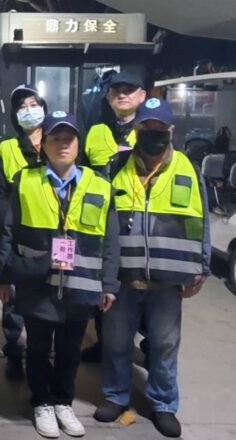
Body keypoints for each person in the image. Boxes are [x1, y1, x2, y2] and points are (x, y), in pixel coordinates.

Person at [0, 111, 119, 438]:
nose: (62, 144)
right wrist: (3, 276)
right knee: (37, 347)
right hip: (37, 281)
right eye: (55, 139)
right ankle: (41, 401)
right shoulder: (25, 181)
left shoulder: (100, 185)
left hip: (81, 284)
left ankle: (63, 401)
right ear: (43, 145)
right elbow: (8, 231)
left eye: (69, 139)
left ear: (78, 144)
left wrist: (109, 283)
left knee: (69, 349)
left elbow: (111, 241)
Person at [95, 98, 209, 439]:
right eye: (147, 127)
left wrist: (202, 266)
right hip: (124, 277)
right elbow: (101, 221)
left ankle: (163, 404)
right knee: (116, 341)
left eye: (160, 128)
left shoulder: (188, 168)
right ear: (137, 129)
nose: (153, 133)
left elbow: (201, 220)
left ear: (170, 130)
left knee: (164, 345)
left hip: (167, 280)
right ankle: (116, 396)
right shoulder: (117, 166)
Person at [81, 72, 146, 362]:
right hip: (102, 224)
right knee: (104, 286)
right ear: (108, 96)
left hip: (139, 227)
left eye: (129, 90)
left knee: (141, 290)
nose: (122, 95)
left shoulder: (150, 129)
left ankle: (148, 348)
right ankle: (104, 342)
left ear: (141, 95)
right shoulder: (95, 131)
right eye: (116, 90)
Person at [0, 84, 47, 381]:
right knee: (12, 299)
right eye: (22, 106)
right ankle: (14, 351)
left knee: (47, 297)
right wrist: (10, 222)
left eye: (34, 104)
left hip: (49, 236)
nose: (29, 110)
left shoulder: (59, 140)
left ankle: (42, 353)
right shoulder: (5, 148)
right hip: (14, 237)